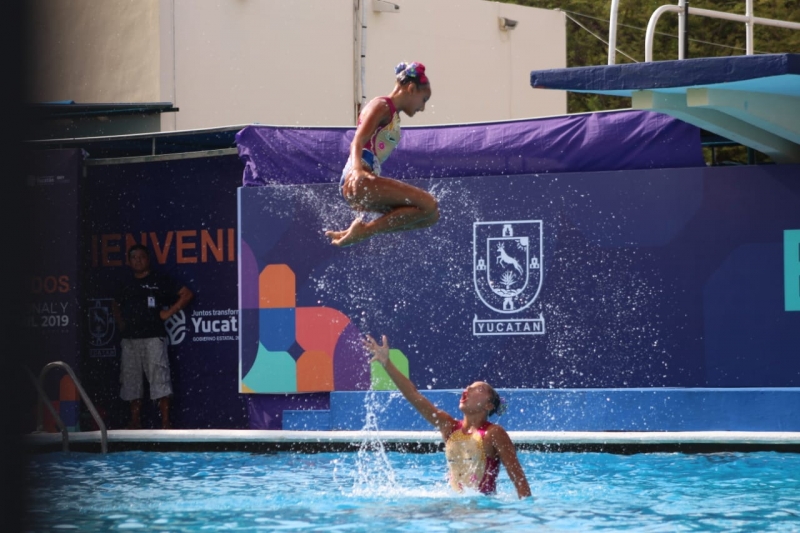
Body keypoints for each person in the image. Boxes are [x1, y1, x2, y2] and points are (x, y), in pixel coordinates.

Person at [363, 334, 532, 499]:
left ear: (489, 405)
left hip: (482, 512)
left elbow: (518, 478)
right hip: (453, 507)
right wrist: (387, 363)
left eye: (477, 389)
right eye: (468, 387)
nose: (467, 390)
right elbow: (413, 395)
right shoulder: (449, 427)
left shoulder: (494, 433)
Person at [325, 61, 440, 247]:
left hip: (362, 183)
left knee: (430, 216)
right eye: (424, 100)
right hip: (359, 180)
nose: (423, 108)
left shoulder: (392, 113)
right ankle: (364, 231)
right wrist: (357, 171)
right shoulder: (382, 105)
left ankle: (361, 231)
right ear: (411, 88)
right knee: (429, 204)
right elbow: (357, 140)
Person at [112, 244, 193, 429]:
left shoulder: (159, 280)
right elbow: (114, 303)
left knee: (160, 379)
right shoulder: (125, 283)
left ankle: (165, 423)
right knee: (131, 381)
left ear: (148, 259)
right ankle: (135, 422)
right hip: (130, 339)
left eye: (141, 257)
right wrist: (121, 323)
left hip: (154, 337)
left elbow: (186, 294)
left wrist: (168, 312)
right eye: (133, 257)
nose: (137, 260)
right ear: (129, 261)